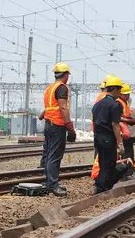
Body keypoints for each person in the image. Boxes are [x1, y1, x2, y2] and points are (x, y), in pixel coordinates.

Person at [42, 62, 76, 196]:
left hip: (48, 123)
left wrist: (41, 115)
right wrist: (70, 127)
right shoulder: (62, 88)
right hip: (57, 124)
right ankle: (53, 185)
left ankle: (50, 183)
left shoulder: (50, 88)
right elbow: (62, 108)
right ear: (66, 75)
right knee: (55, 155)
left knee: (49, 154)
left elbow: (48, 107)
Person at [91, 75, 126, 194]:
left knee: (102, 162)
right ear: (115, 89)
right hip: (108, 138)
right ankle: (102, 188)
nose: (120, 93)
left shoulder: (97, 104)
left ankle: (101, 185)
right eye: (120, 90)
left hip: (97, 137)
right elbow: (115, 125)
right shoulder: (115, 105)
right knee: (109, 164)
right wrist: (120, 143)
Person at [119, 84, 135, 161]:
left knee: (129, 150)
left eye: (128, 94)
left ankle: (129, 166)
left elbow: (125, 114)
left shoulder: (125, 102)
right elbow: (118, 117)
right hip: (121, 131)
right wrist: (130, 120)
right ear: (121, 94)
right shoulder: (119, 102)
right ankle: (127, 169)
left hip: (126, 130)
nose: (128, 96)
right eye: (126, 94)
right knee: (126, 152)